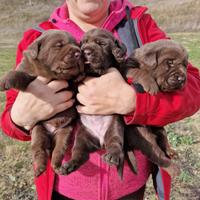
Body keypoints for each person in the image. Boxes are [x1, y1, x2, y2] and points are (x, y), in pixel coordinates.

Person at [1, 0, 200, 200]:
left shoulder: (139, 24)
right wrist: (20, 116)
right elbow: (9, 121)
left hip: (130, 186)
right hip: (65, 189)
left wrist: (133, 103)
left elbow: (194, 88)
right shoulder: (38, 37)